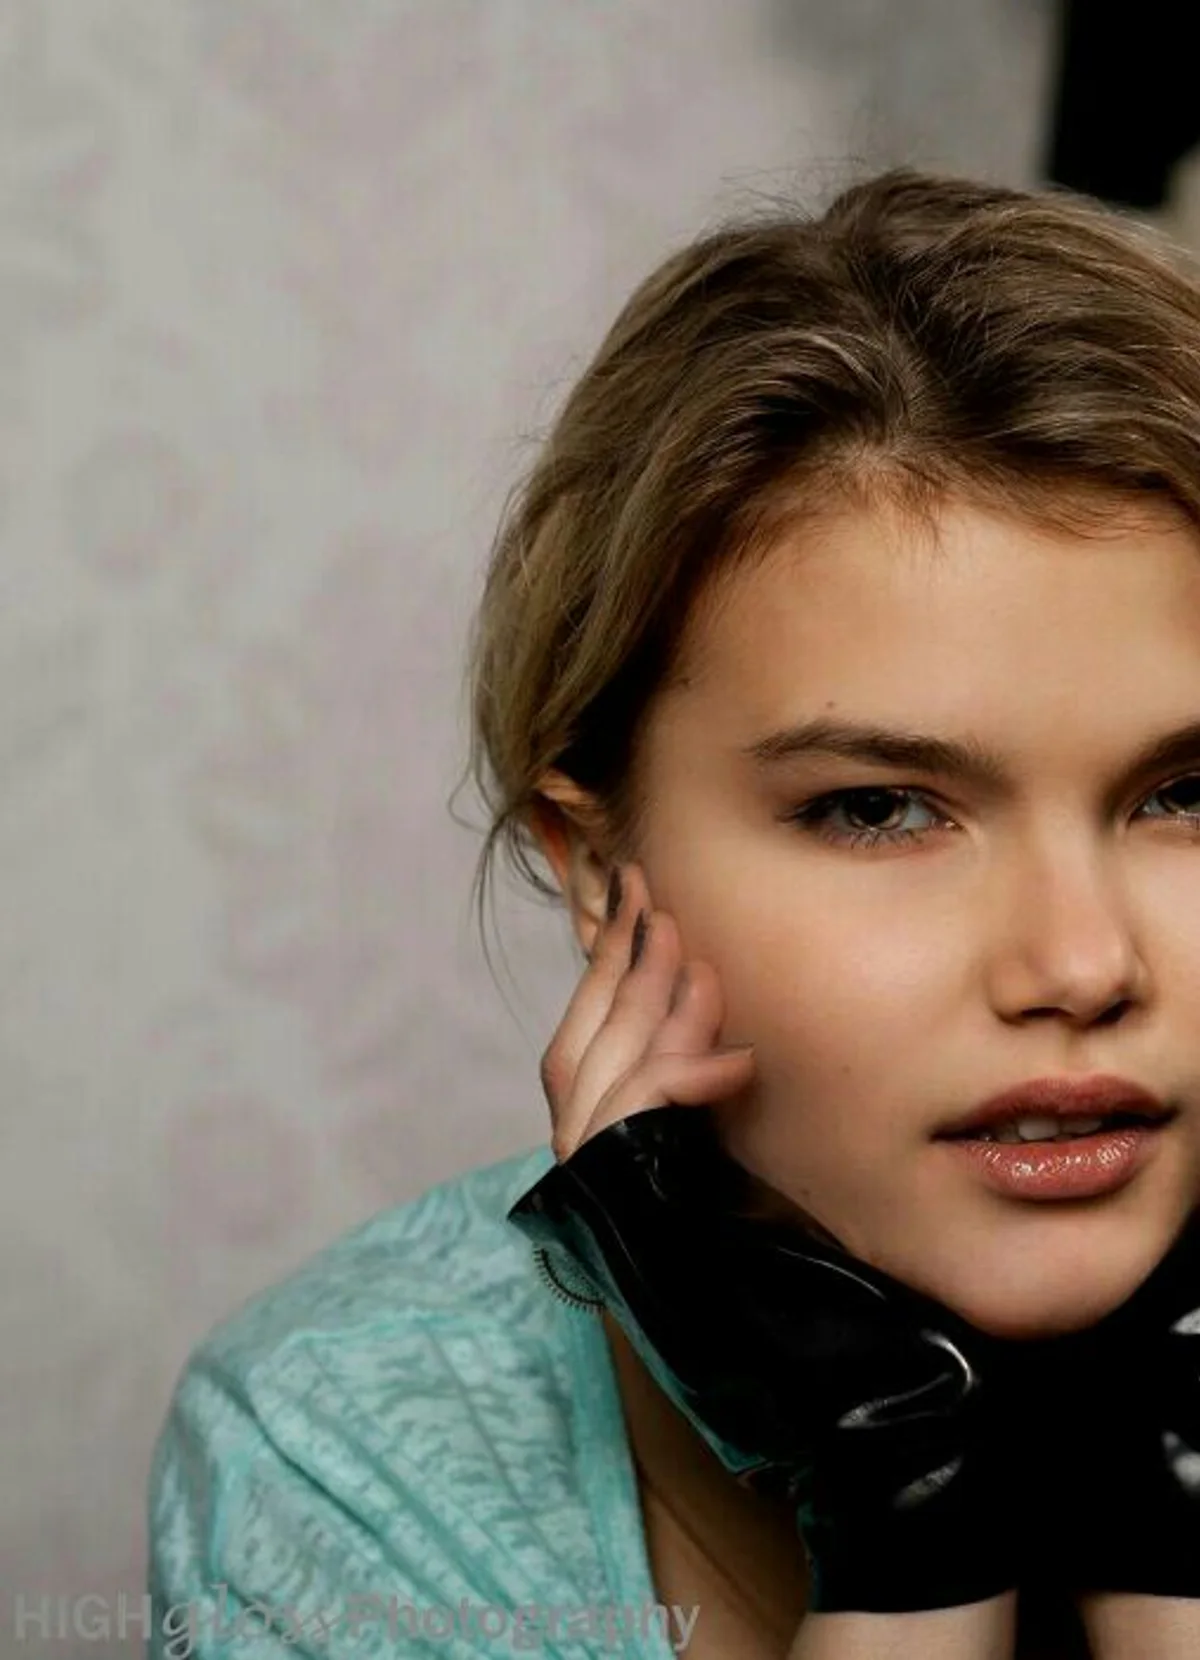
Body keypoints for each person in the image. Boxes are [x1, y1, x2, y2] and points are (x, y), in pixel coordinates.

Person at [145, 164, 1200, 1659]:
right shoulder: (344, 1453)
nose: (1083, 965)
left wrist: (1168, 1533)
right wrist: (912, 1528)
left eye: (1187, 793)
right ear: (599, 871)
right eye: (878, 809)